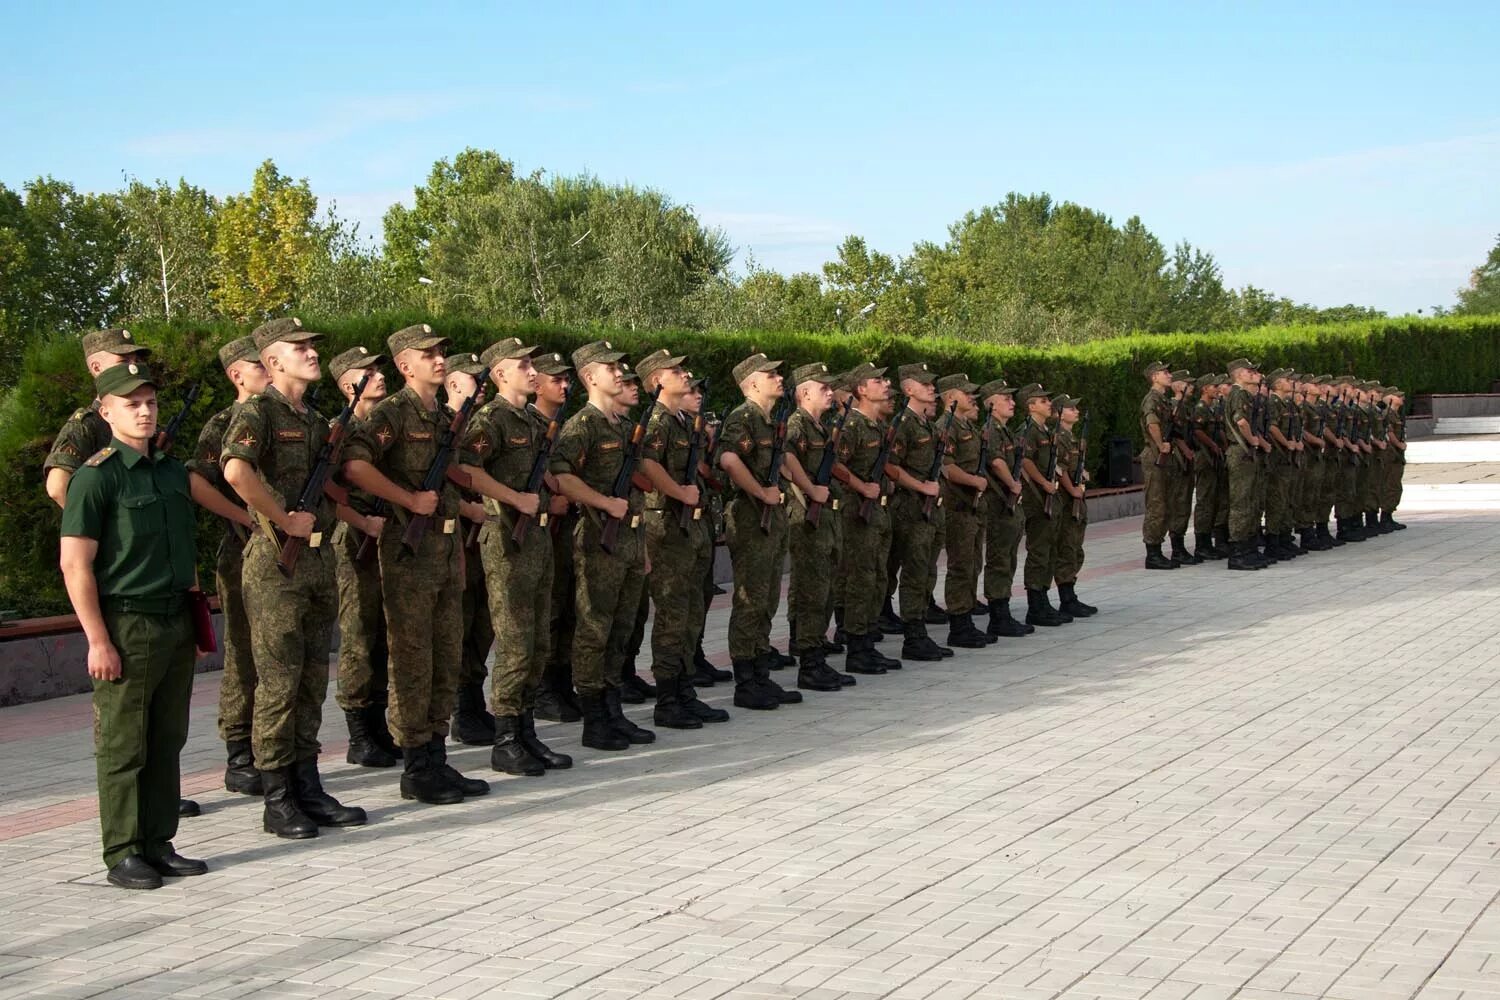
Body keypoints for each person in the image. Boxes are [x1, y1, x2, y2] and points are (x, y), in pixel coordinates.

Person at [60, 360, 207, 890]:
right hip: (128, 623)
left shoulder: (171, 472)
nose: (144, 411)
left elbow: (183, 552)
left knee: (167, 739)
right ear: (105, 412)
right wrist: (98, 640)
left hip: (173, 622)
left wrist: (195, 626)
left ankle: (158, 843)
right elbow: (75, 564)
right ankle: (123, 852)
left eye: (149, 402)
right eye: (131, 404)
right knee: (125, 745)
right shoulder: (95, 478)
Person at [223, 318, 368, 836]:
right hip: (275, 564)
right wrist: (282, 518)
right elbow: (235, 472)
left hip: (317, 560)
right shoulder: (257, 412)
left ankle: (307, 784)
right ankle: (277, 795)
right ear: (272, 361)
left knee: (311, 681)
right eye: (299, 346)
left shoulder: (315, 419)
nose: (310, 352)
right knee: (279, 682)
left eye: (312, 345)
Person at [341, 323, 489, 804]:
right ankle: (415, 765)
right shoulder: (393, 413)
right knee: (412, 658)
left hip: (444, 550)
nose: (439, 359)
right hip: (409, 553)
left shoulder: (444, 416)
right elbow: (356, 465)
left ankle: (437, 755)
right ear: (405, 365)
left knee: (446, 654)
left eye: (442, 351)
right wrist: (406, 498)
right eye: (427, 354)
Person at [458, 338, 574, 774]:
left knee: (537, 640)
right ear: (500, 374)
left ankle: (525, 731)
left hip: (538, 541)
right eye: (522, 364)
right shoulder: (491, 419)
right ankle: (505, 738)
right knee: (514, 642)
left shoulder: (529, 418)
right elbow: (465, 469)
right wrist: (513, 499)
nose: (532, 370)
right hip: (507, 541)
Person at [549, 341, 657, 750]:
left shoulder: (620, 425)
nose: (619, 372)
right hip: (597, 541)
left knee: (621, 630)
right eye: (610, 367)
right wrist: (601, 502)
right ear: (590, 377)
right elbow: (560, 477)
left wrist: (641, 545)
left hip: (628, 540)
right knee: (594, 629)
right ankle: (594, 717)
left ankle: (613, 709)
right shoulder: (583, 425)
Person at [635, 350, 735, 722]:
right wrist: (679, 493)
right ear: (658, 381)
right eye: (676, 370)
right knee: (673, 614)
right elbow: (647, 464)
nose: (686, 374)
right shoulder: (657, 422)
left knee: (692, 610)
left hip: (690, 525)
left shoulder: (681, 421)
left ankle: (684, 688)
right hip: (667, 525)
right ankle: (668, 699)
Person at [186, 337, 267, 795]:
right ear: (237, 374)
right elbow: (197, 483)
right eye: (258, 364)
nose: (267, 370)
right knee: (243, 649)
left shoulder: (280, 416)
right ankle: (240, 752)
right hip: (241, 552)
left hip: (285, 553)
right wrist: (246, 517)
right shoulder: (223, 424)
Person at [325, 346, 400, 768]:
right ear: (347, 384)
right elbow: (327, 491)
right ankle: (359, 733)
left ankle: (380, 725)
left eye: (379, 369)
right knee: (358, 635)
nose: (379, 376)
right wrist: (361, 522)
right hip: (354, 538)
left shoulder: (386, 425)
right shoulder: (339, 429)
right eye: (367, 372)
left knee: (384, 632)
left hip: (386, 535)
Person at [718, 354, 801, 708]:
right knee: (750, 599)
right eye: (771, 374)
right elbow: (728, 459)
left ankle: (760, 671)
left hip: (771, 517)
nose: (779, 378)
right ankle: (745, 681)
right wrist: (759, 491)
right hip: (751, 517)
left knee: (766, 599)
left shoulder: (768, 420)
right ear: (752, 383)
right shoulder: (743, 418)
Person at [781, 362, 852, 691]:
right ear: (804, 393)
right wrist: (810, 490)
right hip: (808, 516)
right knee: (813, 589)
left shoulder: (820, 426)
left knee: (825, 587)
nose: (830, 392)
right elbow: (785, 459)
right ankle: (810, 662)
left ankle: (816, 655)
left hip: (826, 517)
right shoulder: (797, 424)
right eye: (823, 388)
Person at [832, 363, 903, 675]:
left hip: (877, 513)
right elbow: (834, 463)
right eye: (878, 380)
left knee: (876, 576)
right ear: (861, 390)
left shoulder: (875, 425)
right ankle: (856, 648)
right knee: (860, 578)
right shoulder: (850, 425)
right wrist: (861, 486)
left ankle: (867, 641)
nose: (885, 384)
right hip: (857, 512)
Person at [444, 352, 498, 747]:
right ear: (452, 383)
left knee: (483, 623)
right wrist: (468, 508)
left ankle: (474, 703)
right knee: (459, 625)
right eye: (472, 377)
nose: (481, 384)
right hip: (453, 533)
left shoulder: (480, 423)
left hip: (482, 537)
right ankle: (462, 710)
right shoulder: (442, 423)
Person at [529, 351, 583, 723]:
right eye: (556, 380)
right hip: (538, 530)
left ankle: (562, 683)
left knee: (566, 609)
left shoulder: (559, 426)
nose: (564, 386)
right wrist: (551, 504)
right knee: (547, 613)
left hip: (563, 533)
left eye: (566, 380)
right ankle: (545, 691)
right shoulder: (528, 424)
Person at [887, 363, 952, 660]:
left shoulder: (925, 423)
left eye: (932, 382)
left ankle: (920, 628)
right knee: (913, 571)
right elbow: (890, 466)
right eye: (924, 383)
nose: (931, 387)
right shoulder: (903, 423)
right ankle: (913, 636)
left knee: (925, 568)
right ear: (908, 389)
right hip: (910, 507)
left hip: (927, 510)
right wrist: (921, 487)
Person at [934, 373, 992, 649]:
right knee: (960, 565)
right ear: (949, 397)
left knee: (972, 562)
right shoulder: (946, 425)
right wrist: (974, 481)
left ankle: (967, 617)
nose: (972, 397)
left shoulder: (966, 424)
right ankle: (959, 623)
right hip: (957, 503)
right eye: (965, 392)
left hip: (972, 505)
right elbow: (947, 467)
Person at [975, 380, 1031, 638]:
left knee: (1008, 558)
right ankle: (998, 614)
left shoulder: (1004, 430)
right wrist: (1012, 484)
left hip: (1008, 504)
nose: (1011, 402)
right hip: (999, 504)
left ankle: (1004, 609)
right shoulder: (991, 429)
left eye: (1011, 397)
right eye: (1005, 398)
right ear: (991, 404)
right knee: (999, 559)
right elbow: (996, 462)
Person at [1051, 395, 1098, 618]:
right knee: (1067, 548)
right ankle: (1066, 598)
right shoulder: (1059, 437)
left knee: (1075, 548)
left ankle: (1070, 595)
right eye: (1071, 408)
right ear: (1058, 414)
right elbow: (1060, 470)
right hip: (1067, 500)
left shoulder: (1071, 438)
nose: (1076, 411)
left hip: (1076, 498)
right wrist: (1072, 490)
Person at [1222, 358, 1269, 569]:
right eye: (1250, 372)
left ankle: (1248, 548)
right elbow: (1241, 422)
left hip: (1245, 453)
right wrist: (1252, 440)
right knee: (1241, 503)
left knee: (1250, 500)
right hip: (1240, 452)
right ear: (1239, 374)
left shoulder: (1245, 395)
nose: (1254, 375)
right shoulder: (1238, 393)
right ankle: (1238, 553)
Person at [1137, 362, 1178, 570]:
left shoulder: (1164, 399)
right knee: (1156, 505)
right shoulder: (1152, 399)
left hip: (1164, 456)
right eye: (1165, 372)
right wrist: (1162, 445)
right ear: (1154, 377)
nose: (1169, 375)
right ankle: (1152, 553)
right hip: (1155, 456)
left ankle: (1158, 548)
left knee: (1166, 503)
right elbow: (1152, 423)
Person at [1189, 375, 1228, 560]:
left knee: (1215, 500)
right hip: (1204, 457)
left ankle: (1211, 542)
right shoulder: (1200, 408)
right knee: (1205, 501)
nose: (1217, 389)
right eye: (1214, 386)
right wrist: (1212, 444)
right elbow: (1197, 430)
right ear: (1204, 389)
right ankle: (1201, 544)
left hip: (1214, 458)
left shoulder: (1212, 409)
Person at [1165, 371, 1201, 565]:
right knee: (1179, 502)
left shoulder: (1185, 407)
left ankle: (1180, 545)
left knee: (1185, 502)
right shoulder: (1175, 406)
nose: (1192, 387)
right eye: (1188, 383)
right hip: (1179, 459)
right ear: (1179, 386)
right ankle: (1177, 547)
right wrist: (1186, 451)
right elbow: (1175, 434)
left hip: (1187, 458)